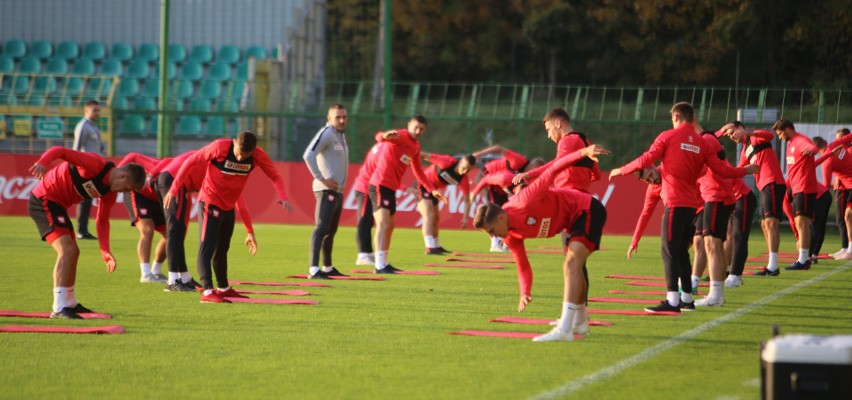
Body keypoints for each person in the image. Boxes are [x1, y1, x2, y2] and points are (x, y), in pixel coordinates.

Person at [609, 102, 757, 313]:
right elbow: (721, 169)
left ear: (676, 117)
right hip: (692, 206)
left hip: (678, 204)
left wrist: (622, 170)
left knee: (668, 250)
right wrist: (745, 171)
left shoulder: (668, 137)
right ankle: (686, 298)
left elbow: (647, 158)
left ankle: (672, 300)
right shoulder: (701, 142)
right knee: (680, 251)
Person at [473, 144, 609, 342]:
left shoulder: (526, 199)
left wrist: (583, 152)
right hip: (569, 223)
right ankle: (580, 322)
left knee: (571, 265)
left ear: (501, 217)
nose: (495, 237)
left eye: (492, 231)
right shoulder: (510, 235)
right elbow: (523, 266)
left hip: (586, 209)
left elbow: (554, 168)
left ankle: (564, 328)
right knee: (575, 267)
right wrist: (524, 292)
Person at [163, 131, 293, 303]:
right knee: (207, 247)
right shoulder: (219, 147)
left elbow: (275, 176)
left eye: (245, 156)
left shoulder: (258, 156)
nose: (239, 159)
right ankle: (207, 291)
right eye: (238, 153)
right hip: (210, 201)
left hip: (228, 205)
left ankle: (223, 288)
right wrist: (173, 188)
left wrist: (283, 196)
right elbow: (191, 161)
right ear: (234, 143)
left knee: (222, 249)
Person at [28, 146, 146, 318]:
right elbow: (60, 150)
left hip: (58, 207)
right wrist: (42, 163)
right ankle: (59, 307)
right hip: (43, 200)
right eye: (126, 189)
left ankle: (70, 303)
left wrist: (105, 251)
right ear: (123, 176)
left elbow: (102, 220)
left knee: (74, 252)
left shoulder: (109, 192)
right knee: (66, 250)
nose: (124, 193)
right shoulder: (94, 164)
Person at [152, 150, 254, 292]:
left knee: (179, 230)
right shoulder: (223, 170)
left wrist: (153, 174)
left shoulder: (217, 159)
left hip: (171, 179)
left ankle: (184, 277)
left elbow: (173, 159)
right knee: (175, 230)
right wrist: (249, 230)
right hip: (174, 181)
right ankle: (173, 280)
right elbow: (239, 204)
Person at [368, 115, 447, 274]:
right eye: (416, 127)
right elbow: (380, 137)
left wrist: (432, 190)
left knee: (390, 226)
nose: (418, 131)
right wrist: (384, 136)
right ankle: (379, 265)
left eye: (422, 129)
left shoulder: (415, 146)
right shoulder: (400, 135)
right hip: (379, 185)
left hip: (391, 188)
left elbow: (419, 172)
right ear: (409, 125)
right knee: (383, 224)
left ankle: (384, 263)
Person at [722, 121, 786, 276]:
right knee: (765, 224)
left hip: (772, 182)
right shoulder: (745, 150)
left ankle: (773, 266)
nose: (731, 137)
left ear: (740, 128)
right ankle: (771, 265)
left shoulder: (755, 137)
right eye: (729, 135)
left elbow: (769, 135)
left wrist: (750, 133)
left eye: (732, 132)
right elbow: (737, 171)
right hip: (764, 185)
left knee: (770, 223)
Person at [303, 104, 350, 279]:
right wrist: (321, 179)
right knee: (321, 228)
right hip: (325, 190)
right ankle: (313, 269)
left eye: (344, 116)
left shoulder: (340, 136)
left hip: (337, 191)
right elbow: (308, 155)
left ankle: (328, 267)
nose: (342, 120)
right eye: (338, 117)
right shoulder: (327, 133)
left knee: (331, 230)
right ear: (329, 118)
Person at [472, 146, 545, 252]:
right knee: (492, 212)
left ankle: (504, 242)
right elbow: (499, 148)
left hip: (499, 184)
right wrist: (479, 154)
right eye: (536, 172)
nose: (533, 175)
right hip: (486, 176)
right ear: (534, 165)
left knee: (505, 214)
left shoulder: (524, 178)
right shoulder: (519, 161)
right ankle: (495, 243)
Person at [513, 107, 601, 193]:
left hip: (567, 196)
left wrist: (528, 174)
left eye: (548, 130)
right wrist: (580, 184)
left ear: (558, 123)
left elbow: (556, 164)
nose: (549, 135)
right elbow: (597, 175)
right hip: (583, 197)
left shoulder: (567, 140)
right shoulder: (586, 142)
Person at [772, 119, 818, 271]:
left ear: (787, 129)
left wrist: (812, 150)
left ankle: (804, 260)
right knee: (800, 222)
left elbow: (812, 147)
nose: (779, 138)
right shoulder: (791, 144)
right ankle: (803, 258)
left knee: (801, 222)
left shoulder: (800, 140)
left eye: (780, 134)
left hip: (804, 187)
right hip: (796, 188)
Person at [118, 153, 169, 283]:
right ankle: (145, 274)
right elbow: (133, 156)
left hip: (156, 199)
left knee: (170, 235)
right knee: (148, 230)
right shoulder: (153, 165)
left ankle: (156, 271)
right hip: (137, 193)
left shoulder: (180, 178)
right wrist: (117, 173)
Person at [417, 151, 477, 255]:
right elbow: (423, 155)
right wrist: (408, 159)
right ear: (461, 161)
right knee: (429, 216)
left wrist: (465, 218)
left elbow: (467, 200)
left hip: (433, 190)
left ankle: (436, 246)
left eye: (468, 170)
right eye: (464, 167)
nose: (464, 171)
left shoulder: (463, 179)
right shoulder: (446, 162)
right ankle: (429, 247)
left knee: (436, 218)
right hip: (422, 184)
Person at [72, 100, 105, 240]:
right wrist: (76, 168)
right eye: (94, 110)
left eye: (98, 110)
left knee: (88, 198)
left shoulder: (93, 127)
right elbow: (76, 148)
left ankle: (83, 229)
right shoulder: (83, 126)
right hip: (86, 168)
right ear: (86, 111)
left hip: (95, 167)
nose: (97, 113)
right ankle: (81, 230)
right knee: (85, 198)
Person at [813, 136, 851, 259]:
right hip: (849, 187)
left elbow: (825, 186)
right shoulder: (838, 142)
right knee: (847, 216)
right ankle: (847, 248)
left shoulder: (827, 162)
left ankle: (849, 249)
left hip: (850, 186)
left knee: (847, 216)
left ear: (815, 148)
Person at [351, 142, 384, 266]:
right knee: (364, 221)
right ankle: (362, 255)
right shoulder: (384, 150)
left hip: (367, 186)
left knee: (369, 221)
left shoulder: (380, 146)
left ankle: (369, 253)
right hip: (365, 188)